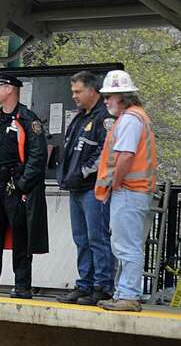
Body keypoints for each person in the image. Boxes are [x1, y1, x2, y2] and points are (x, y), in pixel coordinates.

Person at [0, 73, 48, 299]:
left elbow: (37, 156)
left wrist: (22, 185)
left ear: (11, 89)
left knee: (21, 238)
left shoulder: (28, 119)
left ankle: (22, 286)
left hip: (15, 187)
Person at [93, 69, 159, 313]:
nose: (106, 101)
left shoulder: (130, 119)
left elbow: (125, 156)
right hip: (134, 191)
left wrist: (115, 183)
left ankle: (129, 295)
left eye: (110, 96)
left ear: (122, 97)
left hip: (129, 191)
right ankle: (123, 293)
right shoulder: (135, 117)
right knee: (123, 244)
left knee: (127, 246)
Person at [55, 70, 115, 306]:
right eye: (73, 91)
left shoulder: (104, 117)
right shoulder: (80, 117)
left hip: (93, 188)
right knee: (81, 238)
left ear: (92, 90)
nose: (74, 96)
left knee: (96, 237)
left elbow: (105, 153)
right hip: (76, 188)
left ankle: (102, 285)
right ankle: (85, 284)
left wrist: (81, 173)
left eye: (78, 91)